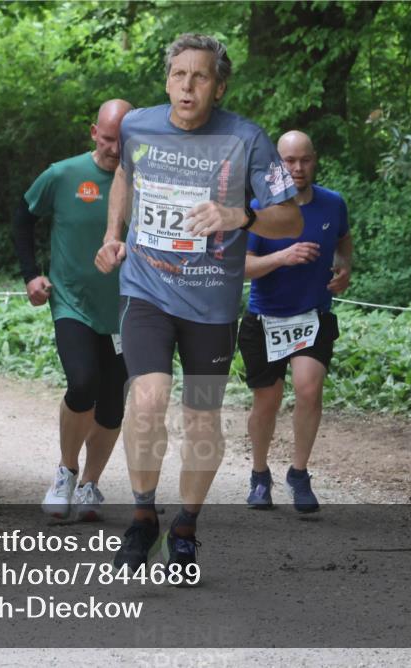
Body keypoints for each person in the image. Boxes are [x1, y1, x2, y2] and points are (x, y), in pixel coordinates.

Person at [95, 34, 303, 578]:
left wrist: (240, 218)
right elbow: (123, 175)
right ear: (167, 80)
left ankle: (185, 526)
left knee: (202, 417)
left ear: (220, 85)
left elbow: (291, 218)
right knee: (147, 398)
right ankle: (142, 516)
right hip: (147, 291)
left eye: (201, 77)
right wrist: (114, 233)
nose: (188, 86)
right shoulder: (139, 125)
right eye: (179, 75)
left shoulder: (248, 139)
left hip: (212, 305)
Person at [14, 99, 133, 521]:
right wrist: (31, 275)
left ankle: (90, 487)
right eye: (107, 139)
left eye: (123, 141)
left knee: (113, 405)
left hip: (127, 311)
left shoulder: (146, 184)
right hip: (73, 302)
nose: (115, 149)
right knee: (83, 383)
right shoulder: (63, 174)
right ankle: (66, 472)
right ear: (92, 133)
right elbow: (23, 218)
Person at [238, 130, 353, 513]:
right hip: (265, 319)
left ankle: (299, 473)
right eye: (289, 161)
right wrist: (281, 257)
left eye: (304, 160)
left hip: (312, 315)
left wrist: (344, 269)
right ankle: (259, 476)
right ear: (277, 164)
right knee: (267, 402)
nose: (298, 168)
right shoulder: (258, 208)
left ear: (314, 159)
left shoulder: (333, 204)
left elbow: (344, 241)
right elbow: (242, 269)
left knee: (308, 389)